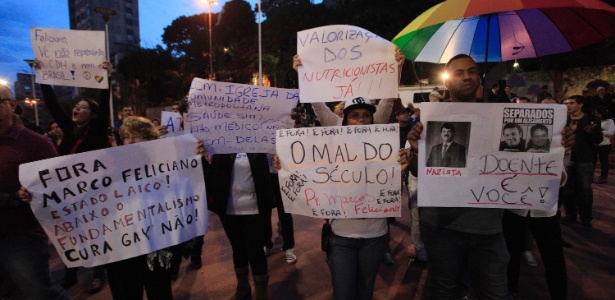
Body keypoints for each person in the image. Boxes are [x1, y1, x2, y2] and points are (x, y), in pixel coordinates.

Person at [406, 54, 575, 299]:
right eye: (459, 72)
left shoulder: (501, 118)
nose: (467, 76)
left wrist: (559, 149)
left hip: (489, 228)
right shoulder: (432, 119)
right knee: (444, 290)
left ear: (479, 77)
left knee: (496, 293)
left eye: (472, 71)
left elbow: (545, 175)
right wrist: (414, 148)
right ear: (447, 82)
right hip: (441, 225)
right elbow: (418, 172)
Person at [275, 96, 408, 299]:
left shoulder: (384, 150)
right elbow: (318, 108)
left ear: (374, 121)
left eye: (366, 115)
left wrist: (400, 169)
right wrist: (285, 166)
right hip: (341, 237)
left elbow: (387, 103)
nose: (361, 120)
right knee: (343, 294)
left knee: (365, 292)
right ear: (344, 121)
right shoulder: (332, 148)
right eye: (354, 116)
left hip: (375, 236)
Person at [36, 59, 111, 293]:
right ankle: (71, 272)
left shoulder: (97, 131)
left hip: (93, 193)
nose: (76, 109)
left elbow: (105, 103)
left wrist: (105, 79)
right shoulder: (69, 129)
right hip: (69, 194)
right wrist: (43, 76)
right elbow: (52, 105)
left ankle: (100, 273)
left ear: (93, 114)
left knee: (96, 233)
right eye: (76, 106)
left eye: (83, 107)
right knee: (72, 232)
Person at [0, 84, 71, 300]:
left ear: (11, 105)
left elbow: (59, 188)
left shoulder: (36, 143)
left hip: (21, 236)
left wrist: (33, 193)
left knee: (40, 293)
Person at [105, 116, 175, 300]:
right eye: (127, 136)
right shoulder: (110, 168)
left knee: (160, 291)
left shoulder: (164, 164)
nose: (131, 141)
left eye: (138, 136)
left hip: (155, 243)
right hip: (122, 245)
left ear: (150, 140)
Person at [199, 147, 273, 300]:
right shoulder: (222, 146)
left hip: (254, 209)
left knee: (256, 251)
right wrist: (200, 159)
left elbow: (268, 174)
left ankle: (261, 294)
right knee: (238, 248)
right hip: (229, 210)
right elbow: (212, 177)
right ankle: (243, 288)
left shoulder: (258, 145)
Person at [561, 95, 602, 229]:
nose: (568, 106)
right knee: (568, 190)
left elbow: (598, 140)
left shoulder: (591, 119)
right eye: (566, 103)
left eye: (571, 103)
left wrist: (591, 133)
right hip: (566, 159)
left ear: (580, 104)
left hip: (585, 159)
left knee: (584, 190)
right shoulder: (563, 120)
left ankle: (585, 218)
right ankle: (570, 215)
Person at [594, 106, 614, 184]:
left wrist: (600, 131)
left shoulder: (609, 121)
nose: (597, 115)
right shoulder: (594, 120)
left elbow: (611, 132)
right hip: (595, 143)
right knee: (593, 161)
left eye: (598, 114)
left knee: (604, 161)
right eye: (595, 113)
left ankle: (603, 177)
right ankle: (591, 176)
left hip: (604, 144)